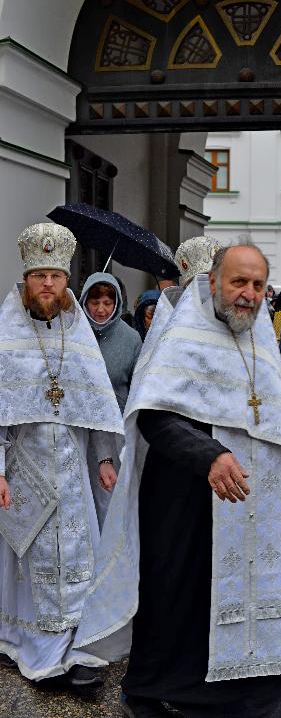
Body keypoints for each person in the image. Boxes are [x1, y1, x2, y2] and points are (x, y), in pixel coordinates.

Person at [120, 243, 281, 718]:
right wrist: (210, 455)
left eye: (258, 285)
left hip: (254, 500)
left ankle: (261, 686)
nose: (247, 294)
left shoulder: (262, 340)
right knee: (181, 594)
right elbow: (154, 418)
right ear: (214, 282)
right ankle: (170, 687)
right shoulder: (184, 336)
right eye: (238, 282)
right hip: (187, 499)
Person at [0, 223, 126, 686]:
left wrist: (105, 460)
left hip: (73, 472)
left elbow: (96, 411)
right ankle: (36, 645)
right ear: (26, 280)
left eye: (55, 275)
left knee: (78, 557)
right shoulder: (5, 334)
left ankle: (77, 645)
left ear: (66, 278)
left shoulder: (79, 335)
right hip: (24, 468)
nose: (48, 284)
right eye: (39, 276)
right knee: (29, 560)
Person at [79, 273, 142, 528]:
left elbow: (137, 387)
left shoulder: (131, 339)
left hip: (116, 431)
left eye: (108, 302)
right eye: (95, 302)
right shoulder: (75, 333)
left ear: (117, 304)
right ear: (84, 301)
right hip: (81, 428)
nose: (101, 309)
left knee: (112, 499)